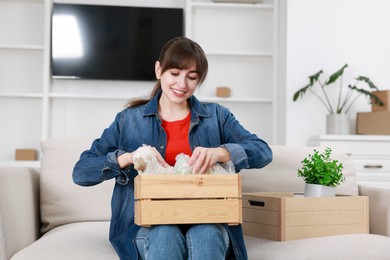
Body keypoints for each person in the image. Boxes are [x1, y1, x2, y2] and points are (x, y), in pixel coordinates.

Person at [73, 36, 272, 260]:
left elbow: (263, 152)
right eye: (174, 74)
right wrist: (131, 157)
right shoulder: (128, 120)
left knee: (206, 233)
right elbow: (81, 172)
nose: (182, 84)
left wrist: (220, 153)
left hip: (208, 219)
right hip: (149, 226)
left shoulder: (217, 116)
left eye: (192, 77)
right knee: (165, 233)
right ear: (159, 70)